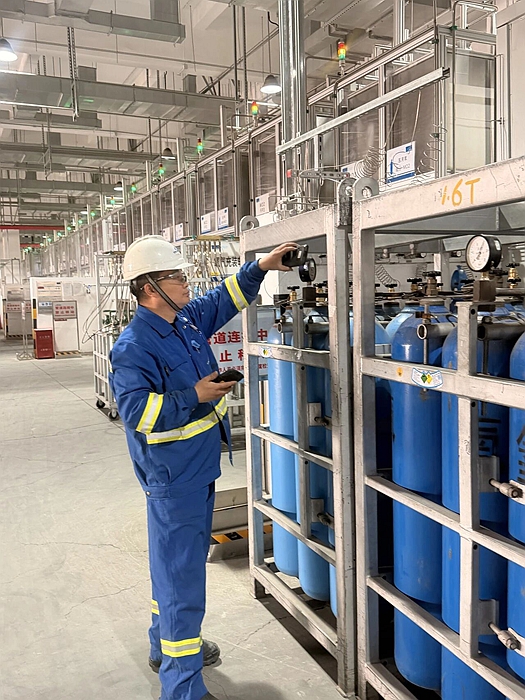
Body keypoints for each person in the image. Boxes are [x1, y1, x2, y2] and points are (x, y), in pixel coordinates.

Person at [109, 235, 296, 700]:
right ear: (150, 287)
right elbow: (136, 413)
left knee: (170, 569)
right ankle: (182, 687)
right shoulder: (134, 345)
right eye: (176, 276)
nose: (186, 282)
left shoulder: (183, 321)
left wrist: (261, 266)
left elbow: (222, 299)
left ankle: (164, 647)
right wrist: (194, 395)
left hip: (196, 466)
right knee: (182, 580)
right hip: (174, 477)